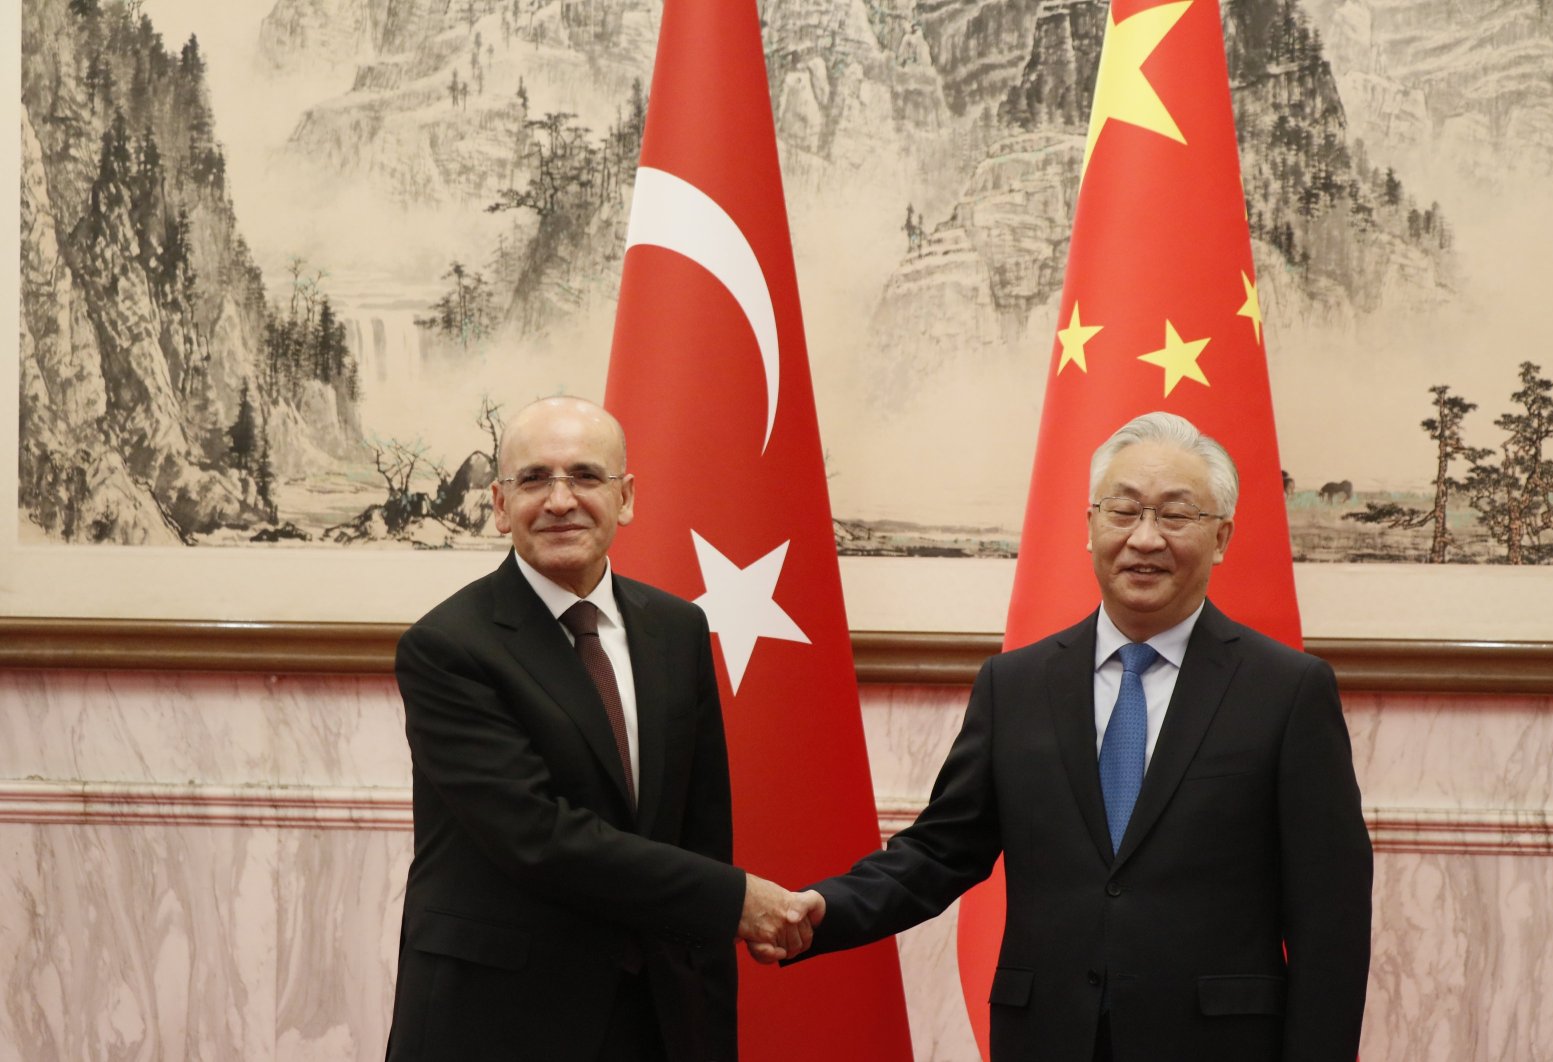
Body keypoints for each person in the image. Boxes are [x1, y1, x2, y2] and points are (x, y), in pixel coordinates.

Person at [774, 411, 1373, 1062]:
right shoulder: (1016, 685)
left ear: (1222, 536)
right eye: (1123, 511)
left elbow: (1330, 920)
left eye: (1175, 516)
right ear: (1090, 526)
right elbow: (940, 852)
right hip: (1046, 1037)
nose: (1145, 539)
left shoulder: (1287, 691)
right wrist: (820, 910)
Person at [386, 396, 809, 1062]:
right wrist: (733, 901)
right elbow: (538, 837)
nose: (560, 500)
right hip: (500, 1022)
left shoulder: (677, 629)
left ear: (626, 497)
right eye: (534, 480)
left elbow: (701, 829)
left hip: (656, 1020)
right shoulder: (447, 647)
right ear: (498, 504)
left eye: (585, 476)